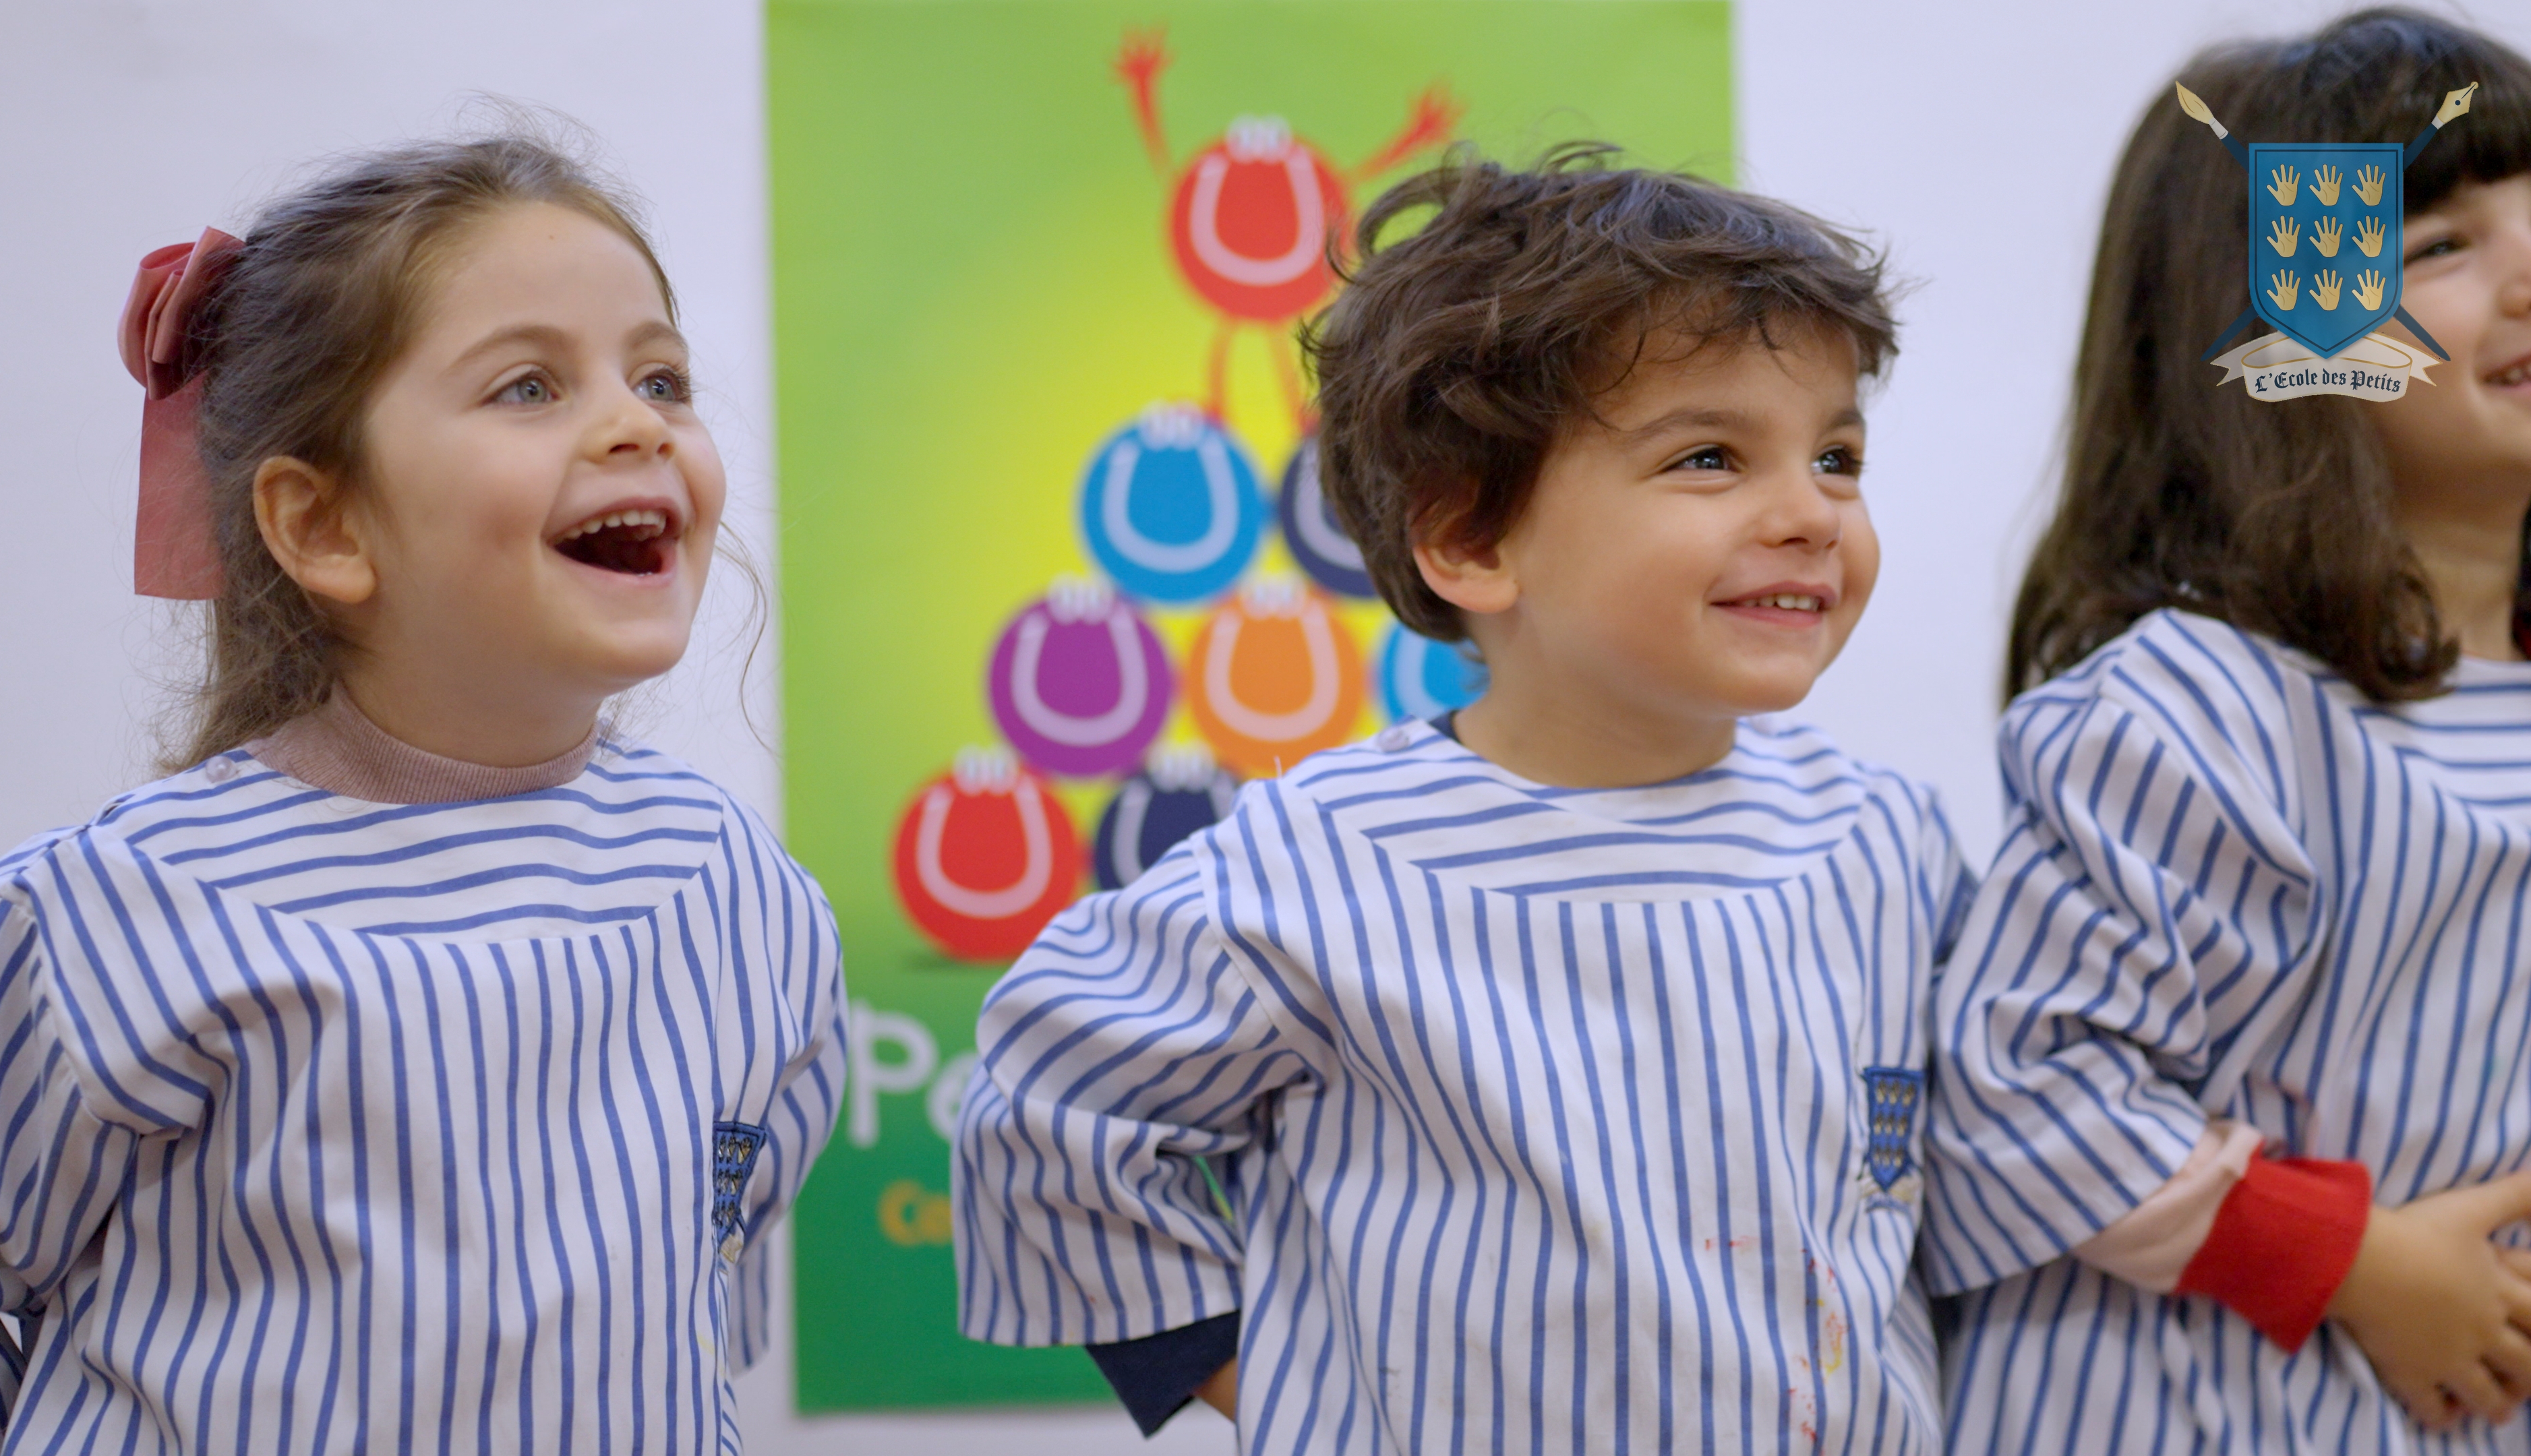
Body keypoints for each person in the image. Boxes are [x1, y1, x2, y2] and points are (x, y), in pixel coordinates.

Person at [953, 147, 1971, 1453]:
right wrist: (1265, 1387)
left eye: (1835, 457)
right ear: (1472, 541)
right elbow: (1049, 1103)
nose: (1812, 514)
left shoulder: (1888, 841)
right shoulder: (1318, 863)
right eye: (1713, 457)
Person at [0, 133, 847, 1453]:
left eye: (662, 376)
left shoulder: (737, 890)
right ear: (324, 526)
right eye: (530, 385)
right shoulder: (123, 912)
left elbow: (714, 1258)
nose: (638, 422)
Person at [1924, 9, 2531, 1451]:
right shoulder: (2203, 708)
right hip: (2196, 1407)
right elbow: (2014, 1092)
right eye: (2439, 246)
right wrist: (2355, 1261)